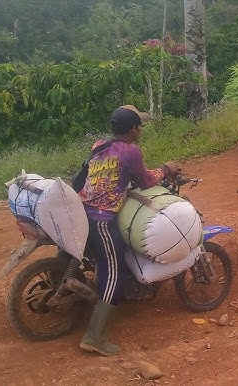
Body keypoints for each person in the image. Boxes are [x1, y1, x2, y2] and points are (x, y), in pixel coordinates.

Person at [77, 105, 179, 356]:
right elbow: (145, 180)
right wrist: (166, 169)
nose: (141, 130)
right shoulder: (131, 151)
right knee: (115, 271)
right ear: (133, 129)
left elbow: (89, 176)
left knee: (102, 261)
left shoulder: (99, 146)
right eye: (139, 126)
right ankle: (94, 336)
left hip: (81, 211)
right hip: (101, 218)